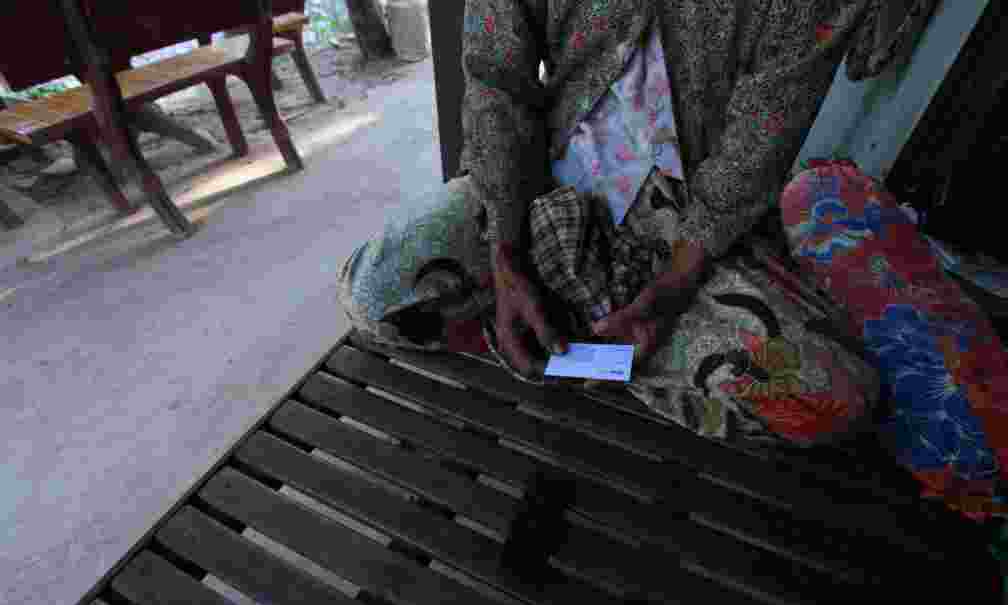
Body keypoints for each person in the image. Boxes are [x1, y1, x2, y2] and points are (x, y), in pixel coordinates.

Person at [338, 0, 938, 449]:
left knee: (837, 398)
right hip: (535, 180)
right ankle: (559, 323)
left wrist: (673, 290)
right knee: (373, 296)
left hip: (684, 227)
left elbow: (757, 145)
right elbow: (497, 81)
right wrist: (507, 253)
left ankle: (587, 336)